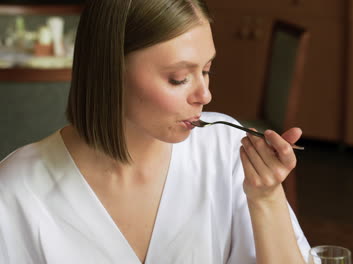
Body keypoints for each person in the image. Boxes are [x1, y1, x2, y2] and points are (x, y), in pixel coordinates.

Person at [0, 0, 311, 263]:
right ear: (110, 72)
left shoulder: (228, 153)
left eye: (206, 71)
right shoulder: (17, 192)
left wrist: (266, 197)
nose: (204, 95)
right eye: (179, 78)